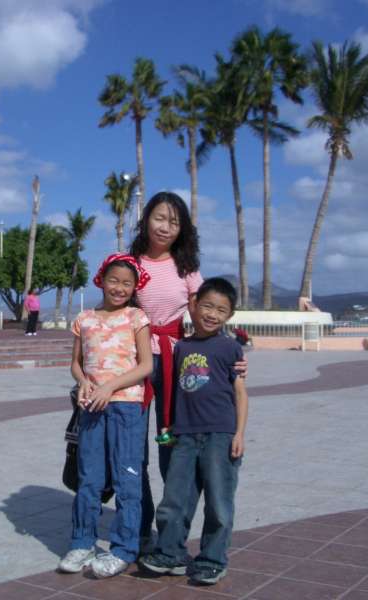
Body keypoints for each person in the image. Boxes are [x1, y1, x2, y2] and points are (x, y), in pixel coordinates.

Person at [129, 191, 247, 551]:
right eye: (160, 218)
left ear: (183, 230)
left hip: (175, 362)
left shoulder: (187, 269)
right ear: (146, 219)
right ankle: (138, 530)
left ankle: (171, 533)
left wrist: (230, 355)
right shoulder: (130, 263)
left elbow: (208, 314)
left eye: (174, 222)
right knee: (133, 452)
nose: (165, 227)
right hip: (134, 364)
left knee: (171, 449)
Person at [140, 277, 248, 585]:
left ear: (229, 316)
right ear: (194, 305)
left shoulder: (230, 348)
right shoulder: (182, 347)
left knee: (218, 502)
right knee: (175, 499)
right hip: (184, 437)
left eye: (221, 310)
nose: (212, 314)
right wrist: (169, 425)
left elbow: (241, 394)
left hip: (220, 435)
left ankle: (213, 559)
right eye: (207, 306)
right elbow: (174, 390)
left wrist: (239, 433)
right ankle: (170, 553)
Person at [57, 253, 154, 578]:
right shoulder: (84, 319)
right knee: (89, 479)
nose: (119, 288)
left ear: (135, 286)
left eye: (127, 283)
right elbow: (76, 363)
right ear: (101, 279)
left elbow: (145, 366)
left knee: (128, 479)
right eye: (114, 280)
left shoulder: (136, 317)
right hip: (91, 408)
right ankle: (82, 542)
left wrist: (108, 387)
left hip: (127, 407)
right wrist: (84, 383)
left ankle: (124, 549)